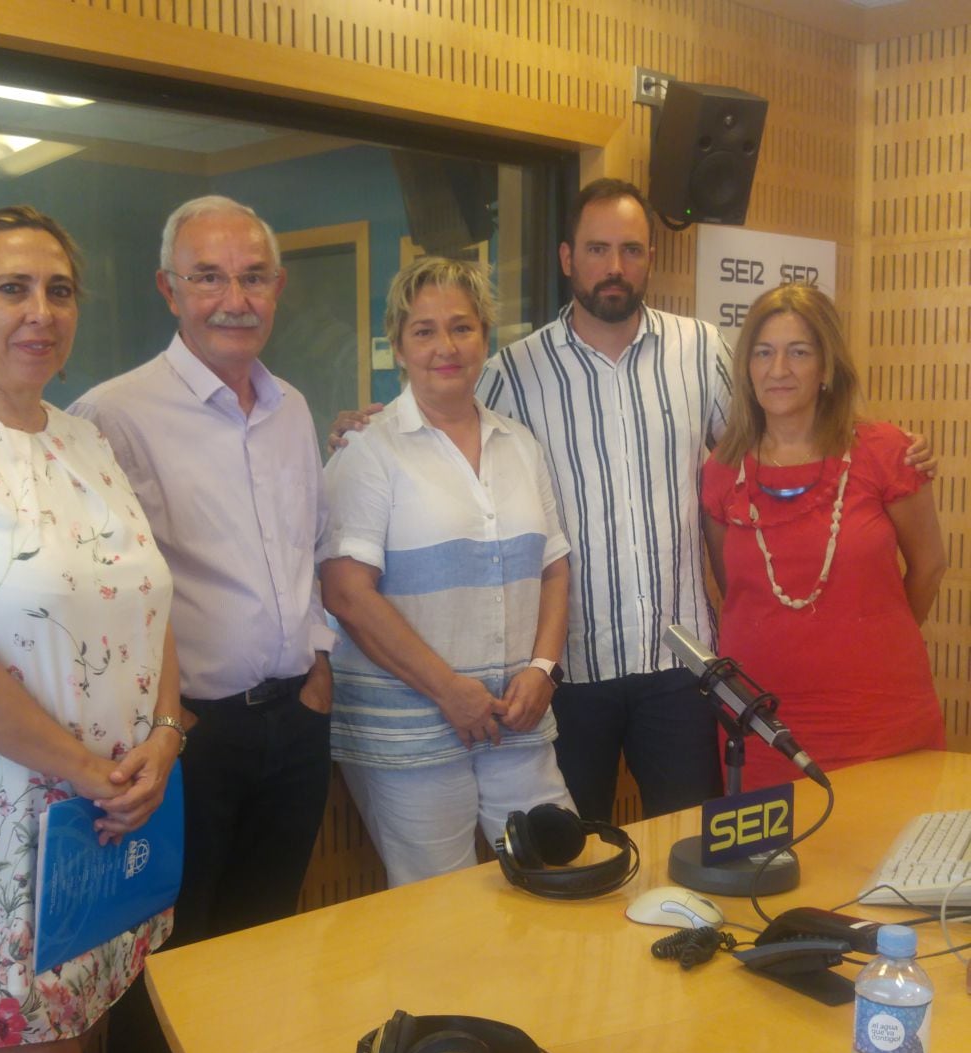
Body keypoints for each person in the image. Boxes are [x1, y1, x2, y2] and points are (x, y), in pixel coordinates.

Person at [333, 178, 935, 823]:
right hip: (566, 672)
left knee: (696, 846)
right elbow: (444, 423)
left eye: (631, 250)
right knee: (578, 855)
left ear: (651, 257)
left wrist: (877, 445)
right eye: (597, 249)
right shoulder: (514, 372)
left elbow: (776, 426)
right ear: (568, 258)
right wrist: (370, 425)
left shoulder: (700, 350)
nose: (614, 266)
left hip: (684, 669)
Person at [0, 206, 182, 1053]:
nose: (40, 313)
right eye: (12, 289)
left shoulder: (84, 437)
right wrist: (89, 770)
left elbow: (148, 600)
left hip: (106, 818)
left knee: (82, 1037)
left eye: (59, 291)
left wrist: (167, 732)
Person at [70, 194, 334, 942]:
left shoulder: (292, 409)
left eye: (254, 277)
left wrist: (318, 667)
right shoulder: (112, 416)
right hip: (189, 736)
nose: (234, 299)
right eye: (209, 277)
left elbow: (308, 548)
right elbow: (98, 594)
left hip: (297, 723)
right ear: (169, 289)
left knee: (266, 939)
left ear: (278, 287)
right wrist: (173, 718)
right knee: (174, 950)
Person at [319, 257, 574, 886]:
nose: (446, 347)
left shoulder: (520, 445)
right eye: (424, 331)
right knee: (439, 909)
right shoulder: (368, 450)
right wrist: (447, 690)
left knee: (561, 872)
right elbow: (347, 594)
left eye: (461, 327)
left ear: (485, 336)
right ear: (399, 346)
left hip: (516, 718)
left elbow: (553, 567)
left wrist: (543, 668)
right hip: (410, 734)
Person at [700, 284, 946, 791]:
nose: (778, 369)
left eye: (798, 352)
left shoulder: (887, 452)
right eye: (763, 353)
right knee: (775, 844)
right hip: (762, 720)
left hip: (881, 713)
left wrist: (877, 636)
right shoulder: (723, 470)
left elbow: (930, 565)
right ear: (746, 368)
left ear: (826, 367)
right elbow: (735, 590)